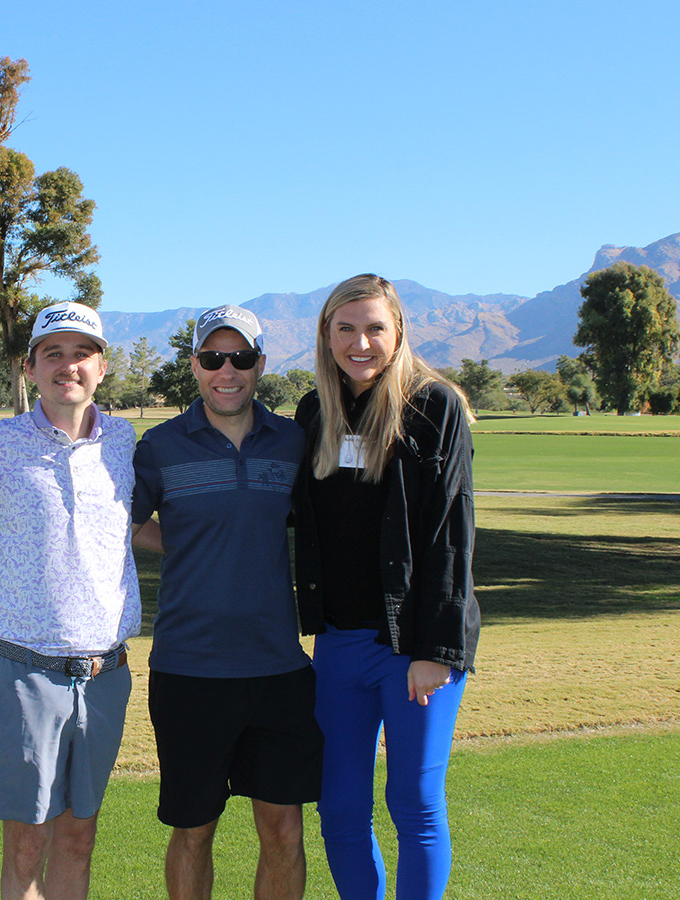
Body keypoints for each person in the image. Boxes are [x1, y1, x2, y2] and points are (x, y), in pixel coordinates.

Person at [292, 273, 479, 900]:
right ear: (326, 334)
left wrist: (436, 651)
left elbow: (450, 535)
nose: (360, 342)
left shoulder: (434, 406)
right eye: (345, 327)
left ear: (398, 332)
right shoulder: (317, 409)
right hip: (340, 644)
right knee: (340, 808)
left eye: (374, 327)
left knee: (413, 803)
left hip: (414, 648)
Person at [0, 301, 142, 900]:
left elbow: (140, 526)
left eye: (81, 353)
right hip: (22, 669)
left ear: (102, 367)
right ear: (29, 367)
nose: (68, 366)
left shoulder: (127, 443)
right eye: (52, 354)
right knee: (26, 847)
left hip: (106, 672)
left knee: (80, 840)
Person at [131, 305, 323, 900]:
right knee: (193, 831)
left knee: (285, 831)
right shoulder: (160, 446)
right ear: (194, 365)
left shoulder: (293, 440)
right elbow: (118, 523)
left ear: (260, 363)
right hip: (189, 670)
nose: (227, 371)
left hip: (279, 669)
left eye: (240, 358)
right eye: (213, 358)